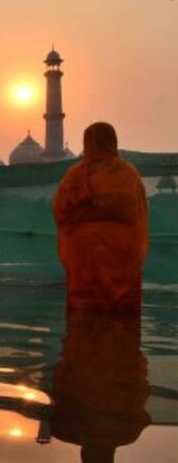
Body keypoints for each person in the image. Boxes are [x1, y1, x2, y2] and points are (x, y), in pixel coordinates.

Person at [52, 122, 148, 311]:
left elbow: (60, 211)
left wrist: (87, 210)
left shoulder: (76, 175)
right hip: (121, 255)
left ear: (86, 143)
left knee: (85, 318)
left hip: (85, 258)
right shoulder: (127, 173)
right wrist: (105, 205)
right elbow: (134, 211)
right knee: (121, 319)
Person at [50, 310, 149, 462]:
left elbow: (142, 390)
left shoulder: (129, 434)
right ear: (84, 455)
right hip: (90, 358)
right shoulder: (64, 431)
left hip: (116, 359)